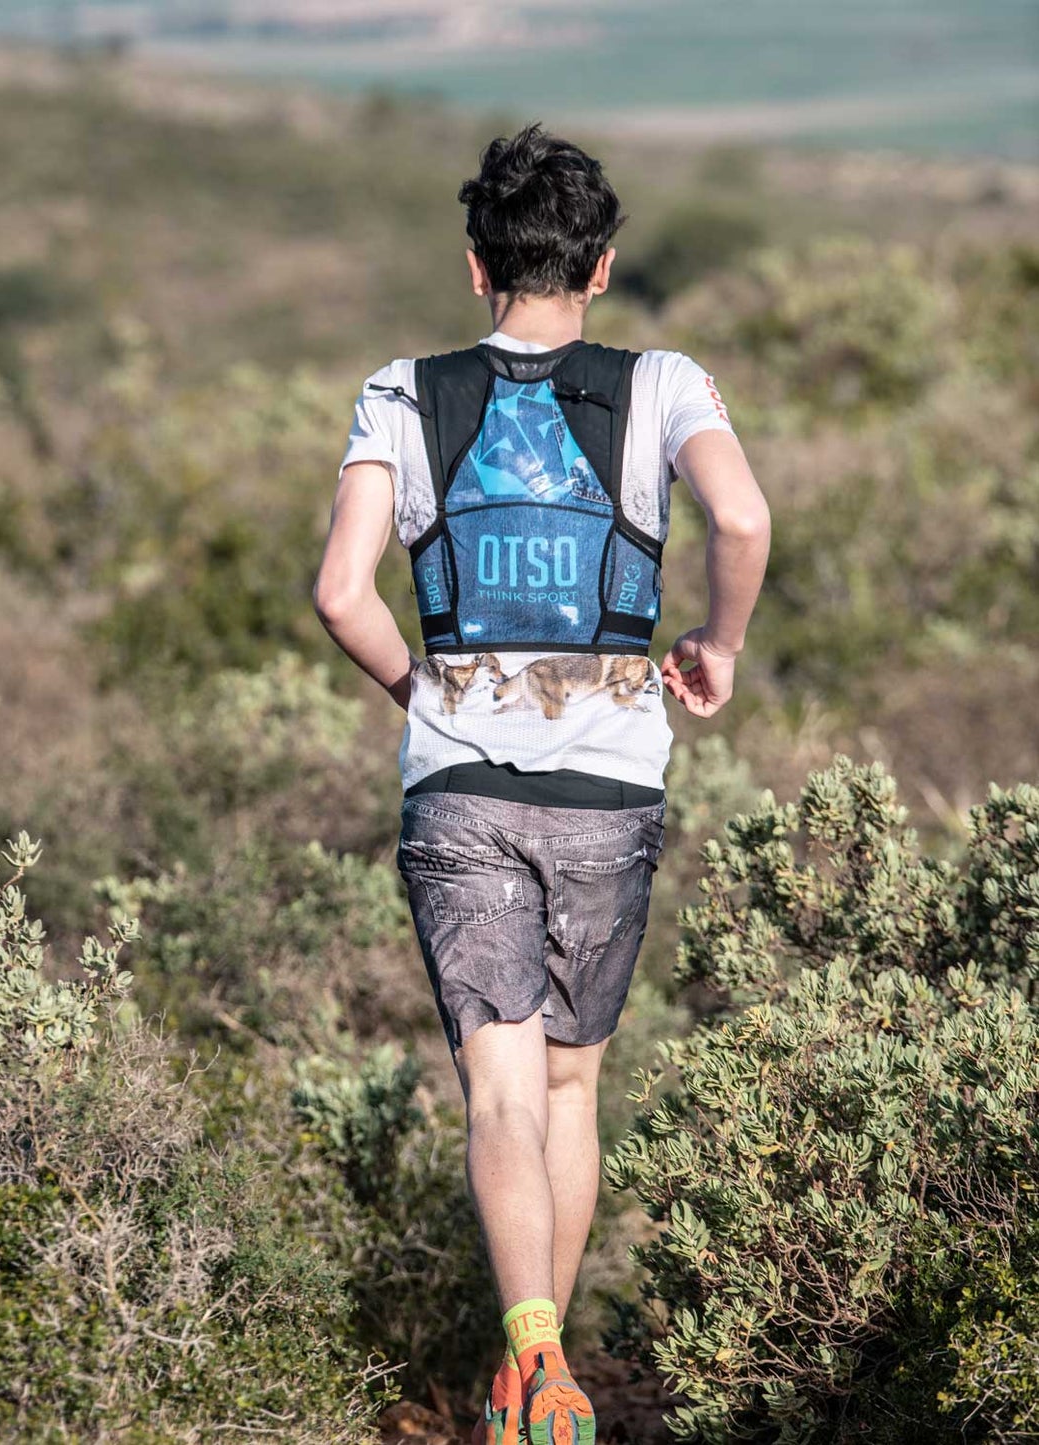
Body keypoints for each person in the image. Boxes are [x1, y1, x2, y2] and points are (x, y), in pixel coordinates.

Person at [312, 124, 771, 1445]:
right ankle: (544, 1384)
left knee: (498, 1091)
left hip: (458, 781)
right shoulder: (664, 380)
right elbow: (739, 520)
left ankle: (528, 1349)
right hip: (609, 784)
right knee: (570, 1088)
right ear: (603, 264)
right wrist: (717, 646)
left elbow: (340, 594)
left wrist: (426, 697)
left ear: (475, 268)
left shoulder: (400, 393)